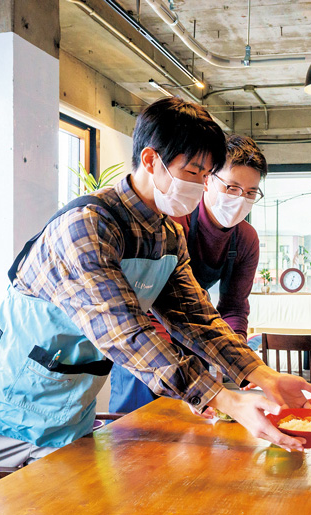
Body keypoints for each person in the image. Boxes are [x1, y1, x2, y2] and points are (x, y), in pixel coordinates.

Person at [0, 98, 311, 487]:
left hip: (66, 409)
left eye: (205, 174)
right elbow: (127, 331)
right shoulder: (86, 226)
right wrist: (225, 398)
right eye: (192, 171)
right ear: (152, 160)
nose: (200, 184)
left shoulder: (168, 234)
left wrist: (262, 375)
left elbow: (197, 317)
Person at [108, 134, 267, 414]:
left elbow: (231, 307)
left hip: (195, 339)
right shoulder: (173, 223)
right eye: (232, 187)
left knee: (192, 439)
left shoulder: (245, 239)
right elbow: (149, 305)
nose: (240, 199)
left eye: (251, 192)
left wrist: (240, 365)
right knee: (133, 433)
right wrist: (177, 371)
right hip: (147, 340)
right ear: (208, 180)